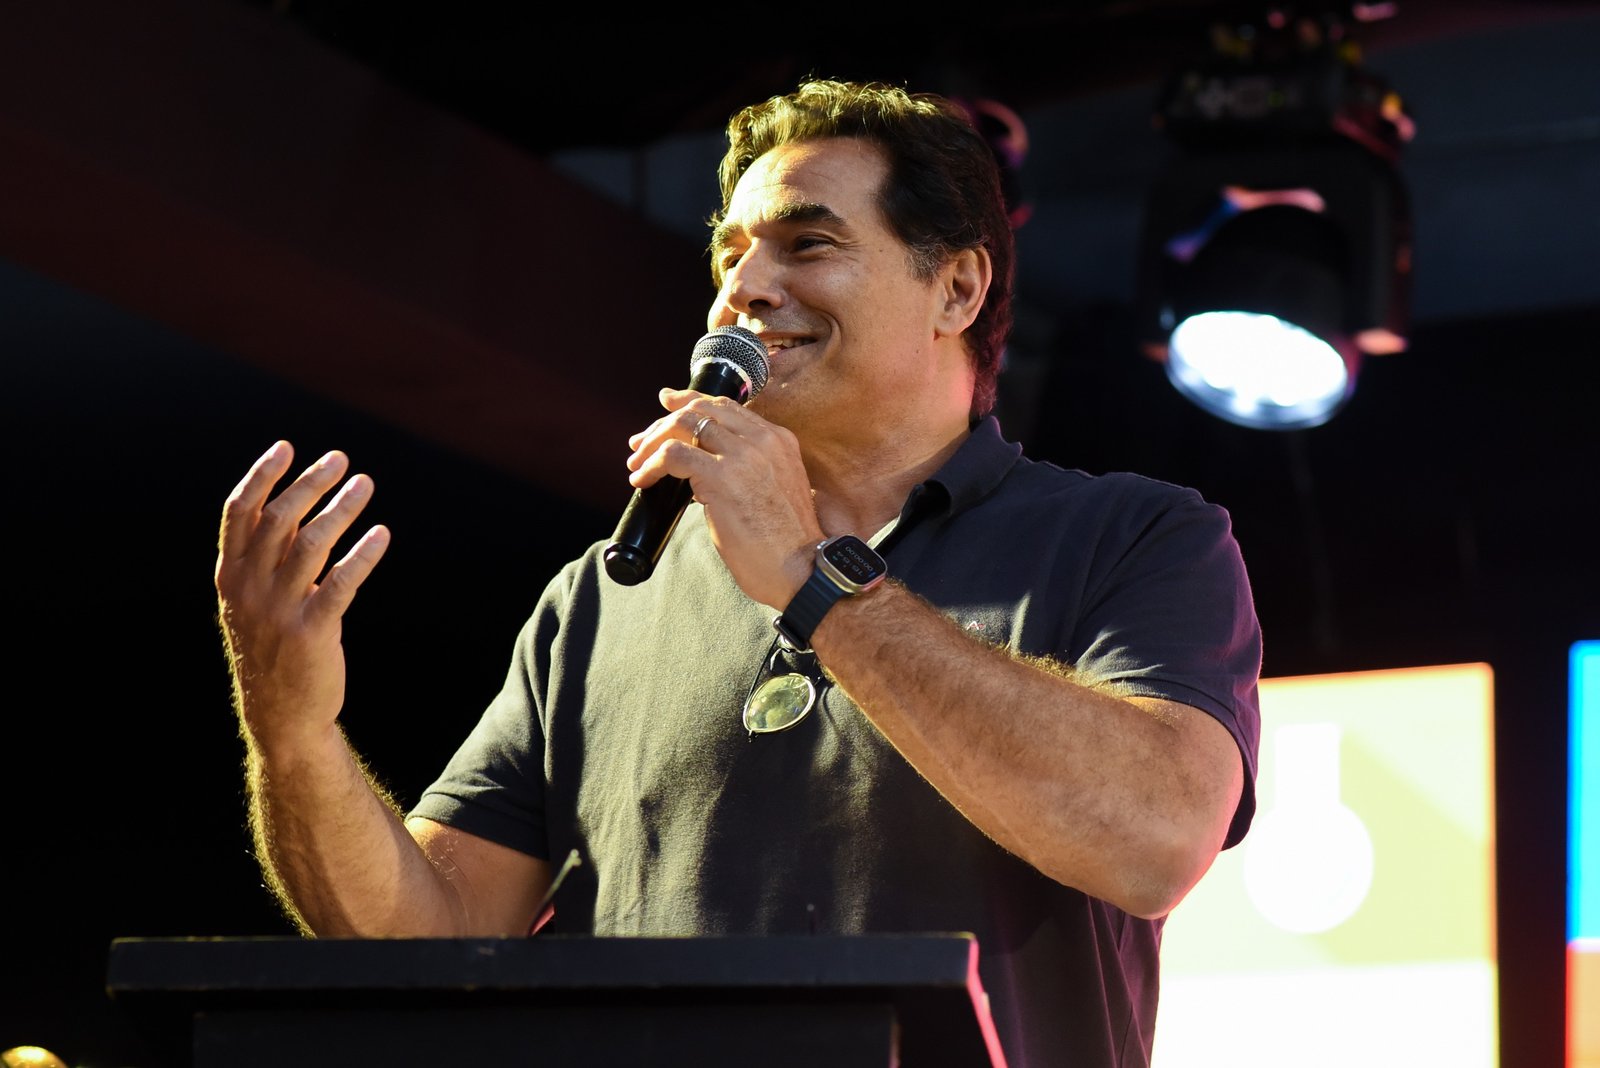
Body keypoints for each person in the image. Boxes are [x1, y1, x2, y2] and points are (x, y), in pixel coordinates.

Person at [215, 79, 1262, 1067]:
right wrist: (293, 734)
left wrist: (812, 577)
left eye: (808, 244)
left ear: (956, 287)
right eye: (731, 255)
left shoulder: (1137, 536)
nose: (745, 290)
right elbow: (429, 946)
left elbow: (1155, 839)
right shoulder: (600, 597)